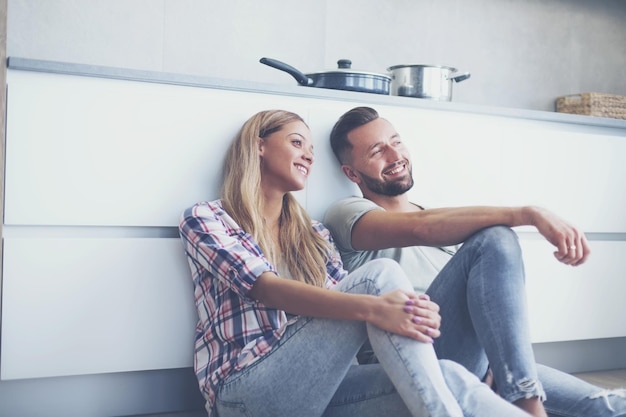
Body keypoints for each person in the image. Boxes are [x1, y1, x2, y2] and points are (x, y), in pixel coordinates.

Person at [178, 109, 535, 417]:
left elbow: (340, 314)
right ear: (259, 145)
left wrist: (406, 310)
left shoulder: (314, 235)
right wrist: (376, 309)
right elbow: (265, 288)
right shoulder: (207, 218)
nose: (308, 156)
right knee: (380, 276)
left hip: (324, 391)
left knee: (452, 377)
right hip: (247, 393)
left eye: (311, 150)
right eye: (297, 143)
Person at [324, 106, 626, 417]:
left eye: (396, 141)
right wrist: (529, 214)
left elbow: (486, 304)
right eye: (377, 151)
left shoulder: (444, 224)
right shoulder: (348, 212)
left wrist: (495, 355)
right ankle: (526, 402)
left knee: (607, 406)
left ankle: (517, 391)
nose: (394, 154)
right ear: (352, 173)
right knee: (494, 237)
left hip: (478, 359)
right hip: (410, 357)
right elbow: (421, 227)